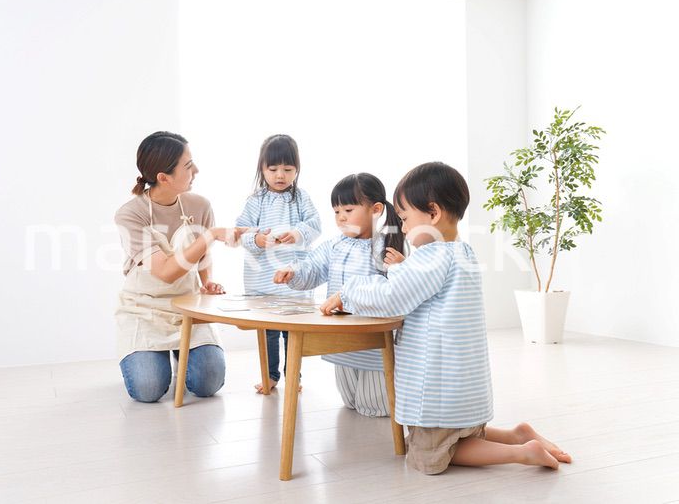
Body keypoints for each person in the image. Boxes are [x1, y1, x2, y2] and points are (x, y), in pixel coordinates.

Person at [320, 162, 572, 474]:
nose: (405, 228)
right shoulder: (460, 252)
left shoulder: (431, 257)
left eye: (405, 219)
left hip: (438, 384)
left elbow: (391, 297)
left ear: (433, 213)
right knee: (452, 433)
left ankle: (522, 452)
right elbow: (418, 289)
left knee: (426, 456)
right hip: (461, 383)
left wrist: (349, 291)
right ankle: (514, 435)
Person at [114, 131, 245, 403]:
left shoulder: (199, 205)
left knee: (207, 382)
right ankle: (156, 357)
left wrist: (207, 281)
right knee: (148, 389)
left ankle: (183, 354)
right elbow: (165, 272)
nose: (196, 170)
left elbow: (202, 256)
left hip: (189, 306)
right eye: (188, 166)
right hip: (146, 309)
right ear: (164, 177)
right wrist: (212, 234)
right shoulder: (130, 214)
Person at [273, 173, 405, 416]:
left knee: (374, 407)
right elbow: (312, 267)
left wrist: (400, 266)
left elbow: (394, 288)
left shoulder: (385, 245)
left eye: (348, 209)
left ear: (375, 210)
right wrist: (293, 273)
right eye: (336, 212)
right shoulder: (335, 245)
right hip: (342, 337)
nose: (341, 217)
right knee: (350, 401)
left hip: (372, 340)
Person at [235, 134, 321, 393]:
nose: (280, 175)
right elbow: (241, 231)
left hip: (293, 281)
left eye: (287, 169)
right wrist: (258, 240)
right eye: (273, 169)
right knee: (268, 332)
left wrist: (296, 234)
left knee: (293, 333)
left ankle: (293, 376)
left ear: (297, 169)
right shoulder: (256, 200)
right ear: (262, 169)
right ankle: (270, 376)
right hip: (262, 281)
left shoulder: (301, 198)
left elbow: (315, 225)